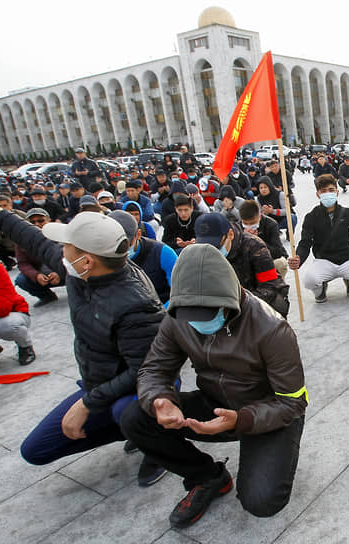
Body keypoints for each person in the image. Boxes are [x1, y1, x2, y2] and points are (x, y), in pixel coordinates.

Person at [0, 181, 167, 484]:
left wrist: (87, 404)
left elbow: (141, 371)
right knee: (36, 450)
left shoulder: (136, 306)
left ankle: (157, 442)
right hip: (99, 381)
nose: (59, 252)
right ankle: (131, 428)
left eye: (66, 247)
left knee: (126, 411)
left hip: (142, 383)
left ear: (87, 260)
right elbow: (34, 240)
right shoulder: (83, 269)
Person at [120, 243, 307, 527]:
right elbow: (154, 368)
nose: (197, 322)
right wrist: (160, 398)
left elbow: (293, 401)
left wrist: (241, 419)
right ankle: (206, 477)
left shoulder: (271, 328)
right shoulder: (177, 317)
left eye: (207, 314)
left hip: (266, 413)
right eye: (190, 315)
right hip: (214, 403)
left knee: (262, 501)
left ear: (229, 298)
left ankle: (270, 452)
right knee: (136, 418)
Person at [289, 175, 349, 302]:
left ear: (337, 192)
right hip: (323, 261)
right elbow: (305, 243)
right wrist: (298, 258)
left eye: (331, 190)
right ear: (318, 194)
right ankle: (321, 289)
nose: (327, 193)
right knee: (309, 280)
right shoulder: (311, 216)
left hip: (347, 260)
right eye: (323, 191)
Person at [194, 213, 290, 318]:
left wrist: (238, 303)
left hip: (258, 300)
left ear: (230, 234)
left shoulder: (255, 247)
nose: (212, 251)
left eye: (217, 246)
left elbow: (270, 286)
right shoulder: (202, 253)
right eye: (207, 246)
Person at [110, 210, 177, 305]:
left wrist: (162, 313)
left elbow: (179, 291)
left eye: (126, 244)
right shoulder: (100, 257)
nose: (121, 250)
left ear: (138, 234)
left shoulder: (162, 253)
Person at [14, 208, 64, 307]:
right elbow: (23, 263)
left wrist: (60, 271)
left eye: (41, 221)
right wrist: (36, 275)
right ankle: (47, 296)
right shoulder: (21, 241)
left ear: (49, 221)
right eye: (32, 222)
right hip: (43, 275)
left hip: (64, 271)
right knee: (21, 280)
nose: (37, 224)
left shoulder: (60, 233)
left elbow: (71, 256)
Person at [239, 200, 288, 279]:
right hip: (247, 263)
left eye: (252, 223)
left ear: (260, 216)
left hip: (268, 259)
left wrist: (258, 240)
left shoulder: (271, 224)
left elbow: (277, 252)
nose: (249, 226)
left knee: (281, 263)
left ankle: (278, 285)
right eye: (245, 224)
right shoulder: (238, 227)